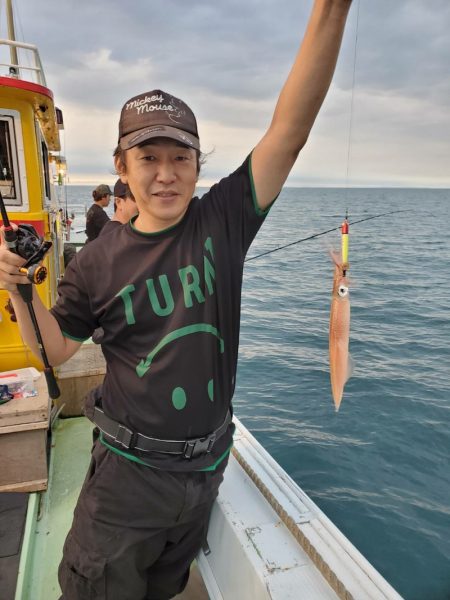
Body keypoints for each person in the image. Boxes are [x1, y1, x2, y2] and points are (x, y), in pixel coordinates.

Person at [0, 2, 353, 598]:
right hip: (127, 482)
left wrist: (331, 9)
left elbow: (289, 131)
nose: (166, 174)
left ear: (197, 165)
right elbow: (54, 352)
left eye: (180, 158)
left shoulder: (224, 220)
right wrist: (16, 285)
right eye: (148, 158)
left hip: (207, 466)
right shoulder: (95, 262)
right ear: (122, 167)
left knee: (167, 588)